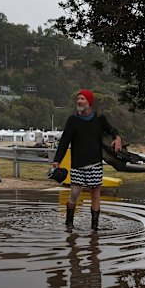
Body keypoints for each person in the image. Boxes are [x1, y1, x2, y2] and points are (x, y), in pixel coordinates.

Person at [52, 89, 122, 232]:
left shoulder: (99, 118)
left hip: (95, 163)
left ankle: (94, 227)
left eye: (83, 98)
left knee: (95, 194)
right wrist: (57, 160)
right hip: (77, 164)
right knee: (74, 194)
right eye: (78, 98)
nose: (79, 101)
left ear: (89, 102)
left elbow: (112, 129)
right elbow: (64, 141)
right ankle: (69, 222)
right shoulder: (73, 120)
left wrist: (118, 138)